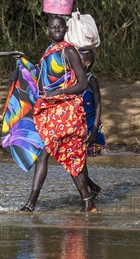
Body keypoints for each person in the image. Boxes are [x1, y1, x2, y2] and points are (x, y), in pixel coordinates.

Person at [17, 14, 96, 212]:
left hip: (67, 112)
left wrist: (61, 92)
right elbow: (42, 81)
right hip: (52, 113)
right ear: (48, 31)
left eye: (60, 27)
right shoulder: (49, 52)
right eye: (53, 28)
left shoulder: (69, 51)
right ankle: (86, 201)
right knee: (57, 155)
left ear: (65, 29)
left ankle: (32, 204)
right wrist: (23, 63)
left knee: (63, 155)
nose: (57, 30)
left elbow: (83, 83)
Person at [78, 49, 106, 196]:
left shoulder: (91, 80)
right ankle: (92, 188)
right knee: (75, 161)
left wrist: (95, 129)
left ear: (87, 64)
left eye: (79, 60)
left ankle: (89, 192)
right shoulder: (73, 79)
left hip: (88, 126)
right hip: (75, 125)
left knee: (79, 162)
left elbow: (98, 104)